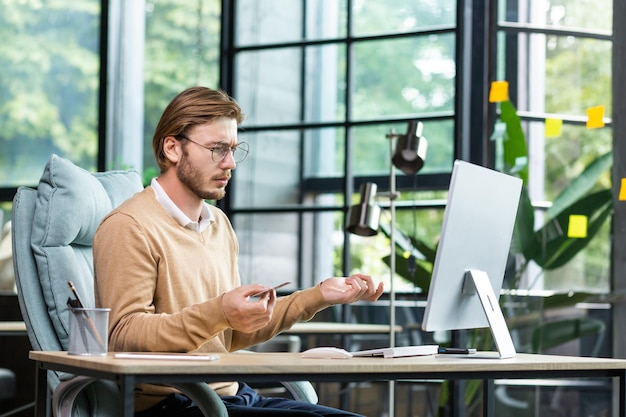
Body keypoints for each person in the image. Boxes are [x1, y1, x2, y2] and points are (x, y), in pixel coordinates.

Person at [93, 86, 384, 417]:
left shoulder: (217, 223)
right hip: (172, 404)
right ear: (173, 148)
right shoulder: (129, 225)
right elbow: (123, 335)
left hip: (230, 395)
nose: (230, 163)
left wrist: (317, 296)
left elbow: (228, 335)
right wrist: (219, 311)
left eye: (233, 149)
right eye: (218, 149)